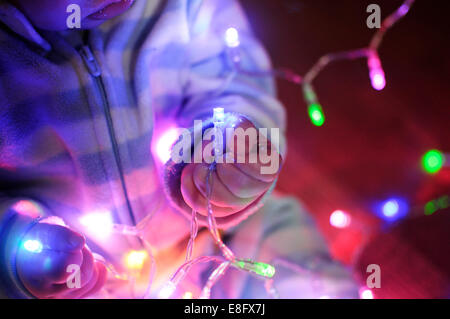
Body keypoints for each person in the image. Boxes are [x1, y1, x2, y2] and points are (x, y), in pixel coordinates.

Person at [0, 0, 358, 298]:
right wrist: (16, 251)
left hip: (213, 235)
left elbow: (235, 79)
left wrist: (234, 142)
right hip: (88, 281)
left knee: (306, 277)